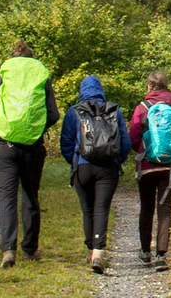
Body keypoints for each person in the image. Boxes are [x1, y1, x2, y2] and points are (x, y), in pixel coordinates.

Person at [0, 39, 59, 269]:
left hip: (6, 147)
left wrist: (3, 130)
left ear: (12, 58)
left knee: (6, 197)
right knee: (30, 195)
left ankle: (8, 250)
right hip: (33, 148)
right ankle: (30, 248)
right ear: (32, 59)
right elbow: (53, 115)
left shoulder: (2, 79)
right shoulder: (42, 79)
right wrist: (36, 129)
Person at [59, 76, 131, 274]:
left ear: (82, 91)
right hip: (108, 168)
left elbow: (65, 142)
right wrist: (118, 160)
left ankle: (90, 250)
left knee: (87, 210)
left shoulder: (74, 112)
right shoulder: (114, 110)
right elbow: (125, 142)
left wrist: (74, 162)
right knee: (101, 209)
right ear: (101, 90)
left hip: (83, 166)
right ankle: (99, 253)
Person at [128, 70, 171, 272]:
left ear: (149, 86)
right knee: (165, 209)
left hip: (147, 166)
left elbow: (132, 138)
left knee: (147, 208)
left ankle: (145, 253)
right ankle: (161, 256)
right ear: (166, 86)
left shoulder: (142, 108)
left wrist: (146, 151)